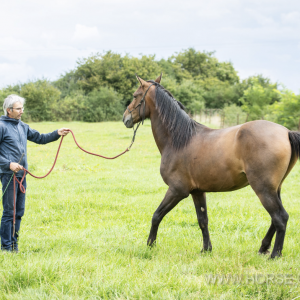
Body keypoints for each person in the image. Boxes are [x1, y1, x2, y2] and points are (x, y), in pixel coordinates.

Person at [0, 94, 70, 252]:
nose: (21, 111)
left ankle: (14, 245)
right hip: (8, 175)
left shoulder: (23, 126)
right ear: (8, 110)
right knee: (9, 212)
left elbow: (40, 138)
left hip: (22, 176)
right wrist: (8, 164)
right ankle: (6, 248)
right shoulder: (1, 126)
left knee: (19, 211)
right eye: (18, 109)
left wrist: (57, 133)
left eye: (22, 108)